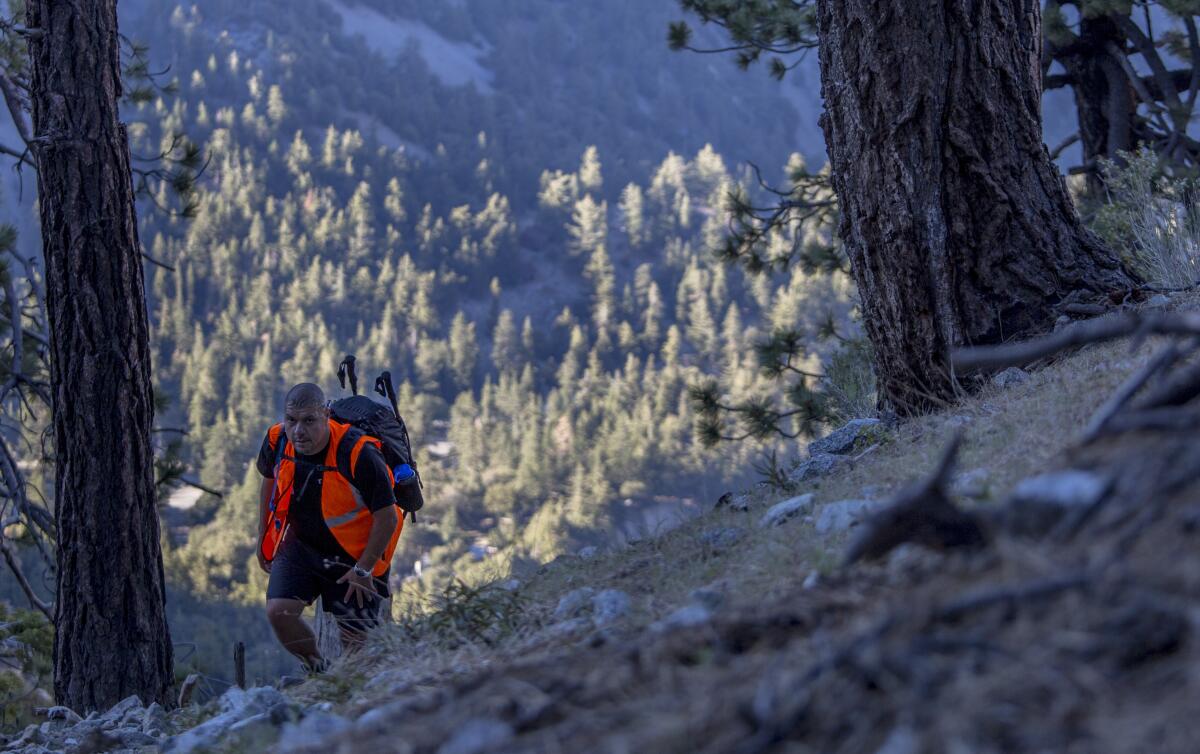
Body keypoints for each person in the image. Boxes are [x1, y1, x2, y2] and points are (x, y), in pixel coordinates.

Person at [255, 383, 401, 671]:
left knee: (355, 646)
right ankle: (320, 674)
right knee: (278, 612)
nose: (298, 430)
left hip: (355, 556)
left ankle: (350, 691)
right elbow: (269, 481)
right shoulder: (278, 440)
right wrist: (263, 537)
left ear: (326, 415)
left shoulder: (357, 453)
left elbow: (388, 517)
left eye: (309, 420)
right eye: (291, 420)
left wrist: (364, 569)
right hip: (302, 545)